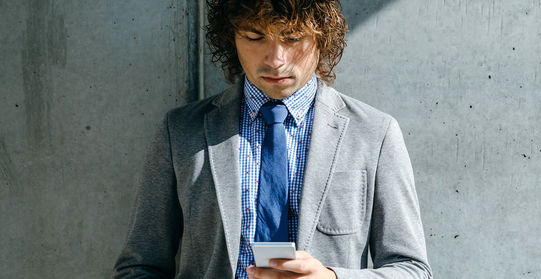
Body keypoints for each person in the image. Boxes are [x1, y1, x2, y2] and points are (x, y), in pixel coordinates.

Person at [113, 0, 431, 278]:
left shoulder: (374, 134)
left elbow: (413, 270)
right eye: (255, 36)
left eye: (292, 38)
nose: (276, 59)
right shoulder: (182, 131)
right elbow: (139, 268)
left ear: (322, 37)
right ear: (232, 38)